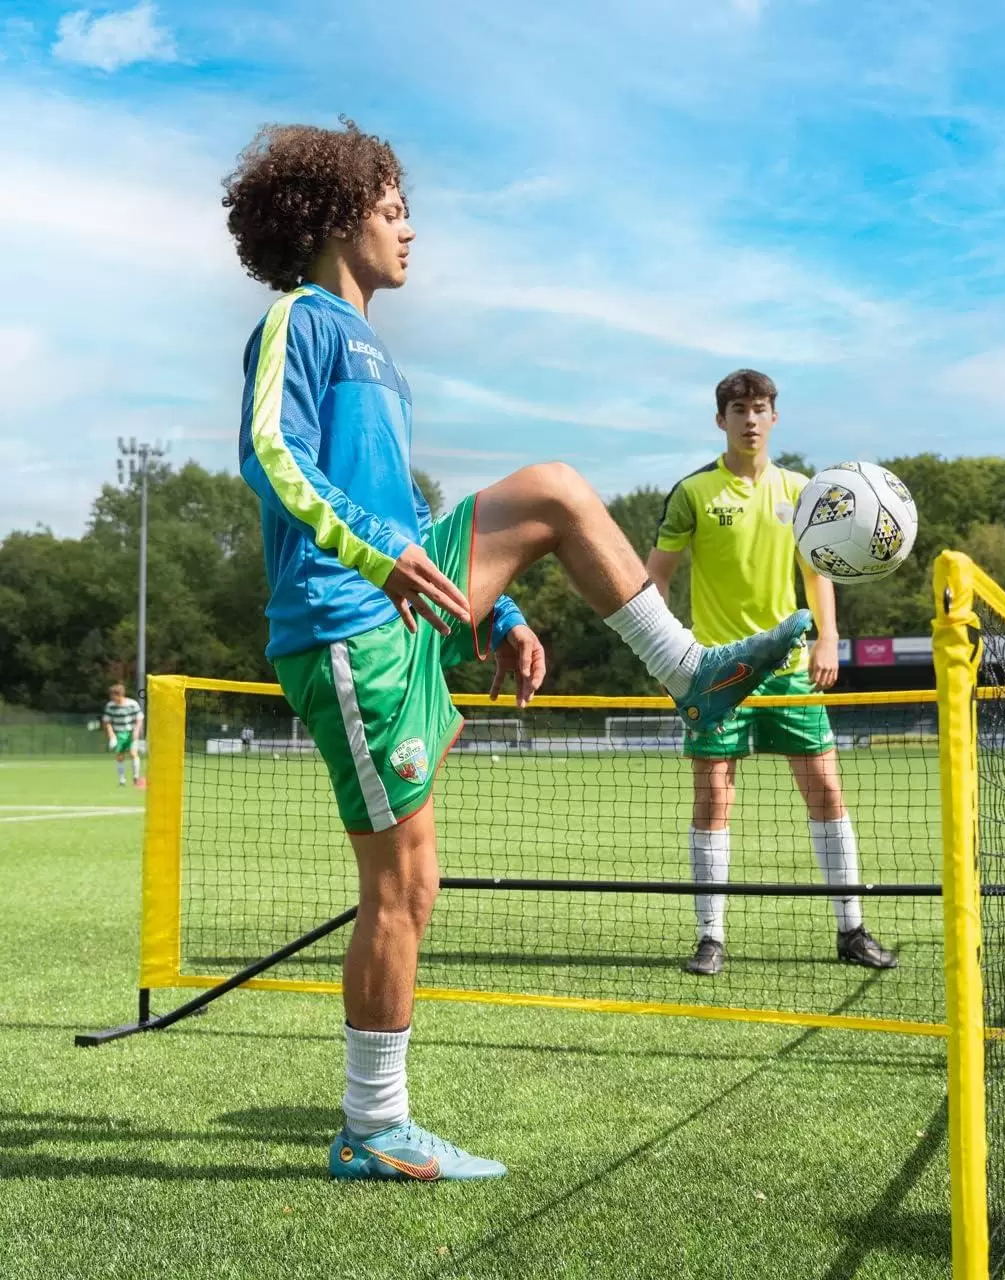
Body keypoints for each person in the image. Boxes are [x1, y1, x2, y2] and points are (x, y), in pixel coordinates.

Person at [225, 121, 810, 1184]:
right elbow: (271, 458)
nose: (411, 226)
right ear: (334, 215)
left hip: (395, 600)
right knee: (400, 885)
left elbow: (403, 502)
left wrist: (496, 616)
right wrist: (382, 553)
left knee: (551, 488)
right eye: (393, 206)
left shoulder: (378, 356)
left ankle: (686, 672)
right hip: (346, 621)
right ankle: (371, 1127)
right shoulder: (296, 321)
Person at [645, 370, 897, 977]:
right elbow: (655, 578)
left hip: (789, 671)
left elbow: (820, 574)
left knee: (827, 793)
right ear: (721, 420)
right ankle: (711, 937)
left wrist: (829, 638)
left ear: (775, 418)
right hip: (717, 673)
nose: (750, 420)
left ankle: (852, 928)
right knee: (713, 798)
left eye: (760, 409)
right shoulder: (693, 493)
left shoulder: (804, 491)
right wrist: (663, 654)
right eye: (738, 409)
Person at [102, 684, 145, 788]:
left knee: (133, 753)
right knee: (120, 756)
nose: (112, 698)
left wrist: (136, 731)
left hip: (130, 732)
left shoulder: (132, 704)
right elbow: (107, 721)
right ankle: (122, 780)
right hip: (119, 734)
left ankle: (136, 777)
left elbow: (139, 718)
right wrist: (112, 736)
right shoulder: (110, 706)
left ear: (120, 695)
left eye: (113, 695)